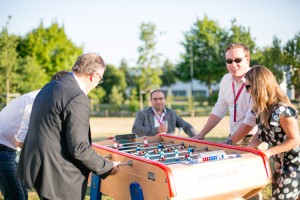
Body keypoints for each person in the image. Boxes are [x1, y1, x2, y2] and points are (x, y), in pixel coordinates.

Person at [17, 53, 120, 200]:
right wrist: (107, 166)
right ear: (94, 75)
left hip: (40, 168)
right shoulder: (78, 97)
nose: (98, 83)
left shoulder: (50, 86)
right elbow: (78, 148)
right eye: (100, 79)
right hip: (59, 177)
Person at [0, 70, 68, 200]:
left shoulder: (44, 96)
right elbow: (22, 138)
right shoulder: (38, 99)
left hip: (10, 150)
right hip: (2, 149)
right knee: (16, 196)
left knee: (23, 194)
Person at [245, 65, 300, 200]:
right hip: (279, 164)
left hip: (294, 166)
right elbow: (261, 135)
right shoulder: (262, 109)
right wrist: (246, 152)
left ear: (260, 86)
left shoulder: (283, 111)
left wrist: (269, 152)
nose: (247, 91)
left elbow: (295, 139)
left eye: (248, 87)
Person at [193, 43, 260, 146]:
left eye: (238, 60)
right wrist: (202, 134)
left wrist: (229, 141)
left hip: (254, 138)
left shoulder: (257, 79)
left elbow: (251, 119)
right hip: (233, 136)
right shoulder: (225, 79)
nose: (233, 65)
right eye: (229, 61)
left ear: (247, 59)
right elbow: (219, 109)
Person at [132, 89, 197, 137]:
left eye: (161, 98)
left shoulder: (171, 113)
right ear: (151, 101)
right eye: (155, 99)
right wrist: (157, 130)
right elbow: (135, 129)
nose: (158, 101)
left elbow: (185, 125)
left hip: (168, 146)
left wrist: (196, 137)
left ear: (164, 100)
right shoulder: (142, 113)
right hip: (150, 146)